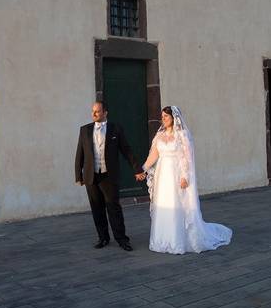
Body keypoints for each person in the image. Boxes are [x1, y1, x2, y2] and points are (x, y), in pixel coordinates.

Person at [135, 106, 232, 254]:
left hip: (176, 174)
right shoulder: (159, 136)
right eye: (162, 117)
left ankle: (177, 240)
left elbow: (187, 157)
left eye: (166, 117)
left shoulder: (182, 135)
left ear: (174, 118)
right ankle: (161, 240)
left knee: (176, 204)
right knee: (163, 204)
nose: (163, 119)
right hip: (162, 176)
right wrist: (143, 169)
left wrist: (185, 176)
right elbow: (153, 155)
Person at [75, 101, 140, 251]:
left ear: (105, 112)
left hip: (108, 176)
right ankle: (103, 237)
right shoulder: (84, 130)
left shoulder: (115, 129)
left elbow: (126, 150)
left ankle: (122, 239)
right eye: (92, 111)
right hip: (91, 176)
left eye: (97, 111)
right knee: (96, 208)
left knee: (114, 208)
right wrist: (78, 175)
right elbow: (80, 153)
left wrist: (137, 169)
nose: (94, 114)